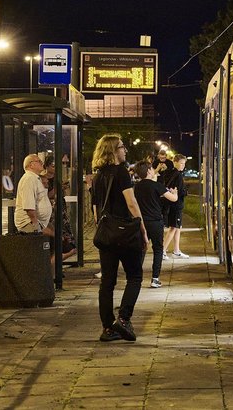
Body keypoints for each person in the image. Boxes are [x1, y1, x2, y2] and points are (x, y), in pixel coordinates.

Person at [93, 134, 147, 342]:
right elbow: (131, 203)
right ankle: (123, 319)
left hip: (106, 234)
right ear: (113, 151)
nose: (125, 150)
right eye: (122, 147)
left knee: (107, 281)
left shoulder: (98, 176)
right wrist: (142, 229)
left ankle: (108, 328)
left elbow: (96, 210)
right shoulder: (122, 173)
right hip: (125, 231)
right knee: (135, 276)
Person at [132, 160, 177, 288]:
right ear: (148, 171)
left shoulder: (137, 187)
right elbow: (173, 199)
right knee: (158, 249)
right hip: (156, 222)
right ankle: (155, 278)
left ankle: (137, 277)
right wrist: (175, 193)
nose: (153, 171)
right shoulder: (156, 185)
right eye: (152, 169)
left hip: (141, 223)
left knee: (141, 250)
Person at [41, 160, 77, 261]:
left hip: (60, 208)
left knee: (64, 232)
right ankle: (57, 259)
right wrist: (58, 188)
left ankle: (60, 259)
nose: (54, 169)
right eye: (52, 166)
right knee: (55, 233)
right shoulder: (43, 180)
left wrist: (63, 188)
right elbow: (47, 196)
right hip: (51, 210)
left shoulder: (57, 178)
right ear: (46, 166)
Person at [160, 154, 189, 259]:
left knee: (178, 227)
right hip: (176, 205)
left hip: (171, 204)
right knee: (173, 227)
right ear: (175, 162)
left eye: (184, 163)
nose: (183, 165)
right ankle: (163, 251)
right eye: (181, 163)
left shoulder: (169, 173)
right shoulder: (178, 175)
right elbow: (180, 191)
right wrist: (186, 192)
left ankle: (176, 250)